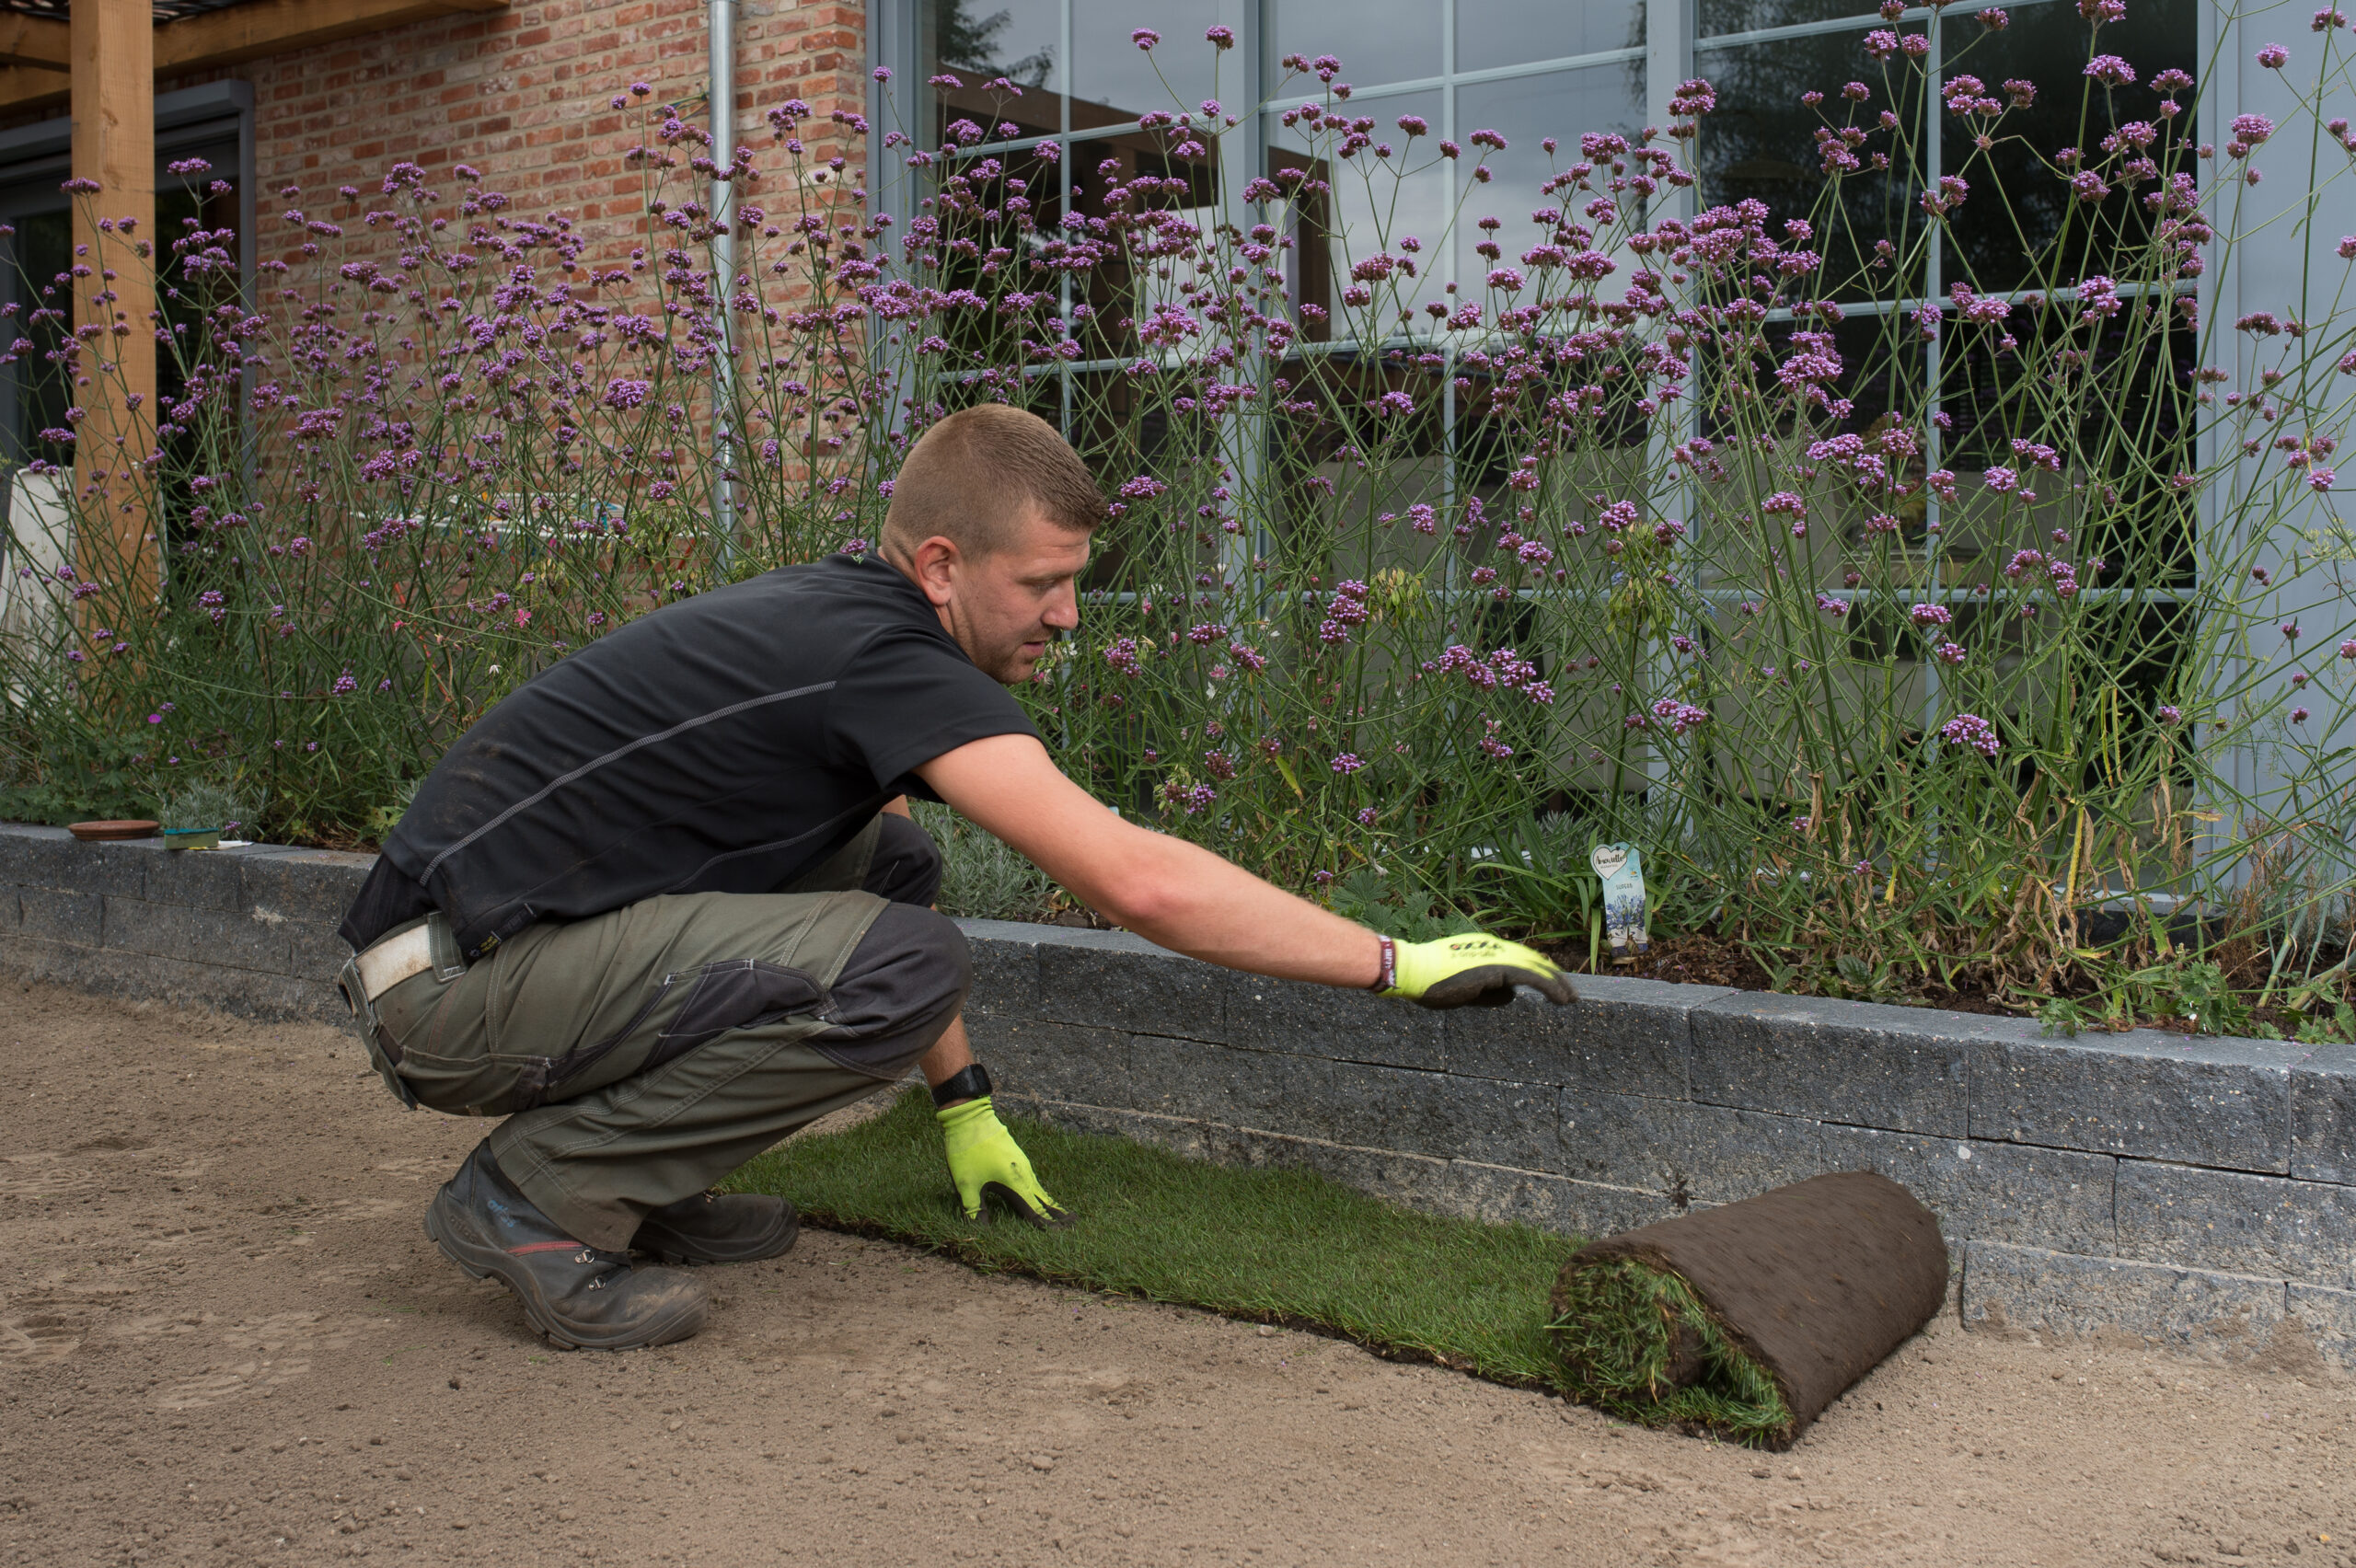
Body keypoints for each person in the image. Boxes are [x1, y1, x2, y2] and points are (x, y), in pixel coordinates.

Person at [335, 403, 1575, 1352]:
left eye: (1076, 582)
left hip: (485, 958)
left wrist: (964, 1102)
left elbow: (888, 871)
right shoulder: (889, 662)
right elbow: (1133, 882)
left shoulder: (840, 619)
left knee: (892, 860)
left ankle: (637, 1184)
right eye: (1043, 583)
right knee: (905, 965)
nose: (1070, 616)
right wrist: (1396, 964)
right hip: (451, 995)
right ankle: (535, 1197)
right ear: (941, 566)